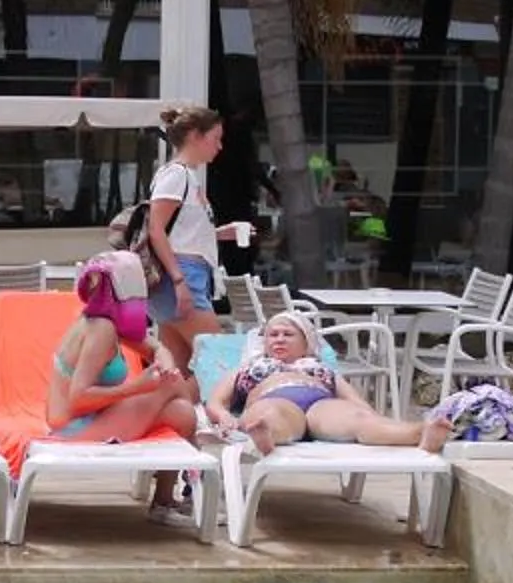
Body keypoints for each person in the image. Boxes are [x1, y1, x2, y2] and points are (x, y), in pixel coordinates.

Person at [44, 251, 201, 524]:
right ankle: (196, 462)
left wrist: (162, 359)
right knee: (173, 386)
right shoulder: (100, 329)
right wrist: (138, 388)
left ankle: (164, 503)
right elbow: (77, 399)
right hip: (74, 428)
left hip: (92, 418)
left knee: (182, 414)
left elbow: (153, 346)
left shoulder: (107, 321)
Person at [206, 310, 449, 456]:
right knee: (270, 414)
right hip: (273, 398)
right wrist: (224, 418)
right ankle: (265, 435)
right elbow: (216, 401)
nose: (279, 340)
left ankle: (419, 432)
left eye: (288, 335)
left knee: (358, 419)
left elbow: (357, 402)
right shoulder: (250, 366)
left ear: (306, 343)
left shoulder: (320, 369)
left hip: (320, 404)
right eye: (273, 334)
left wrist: (372, 418)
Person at [142, 107, 253, 372]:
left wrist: (218, 233)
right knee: (220, 361)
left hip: (182, 275)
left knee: (177, 369)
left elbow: (175, 232)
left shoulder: (180, 175)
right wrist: (180, 280)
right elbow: (155, 229)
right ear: (195, 136)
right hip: (183, 275)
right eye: (215, 138)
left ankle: (152, 410)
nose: (219, 146)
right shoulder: (177, 175)